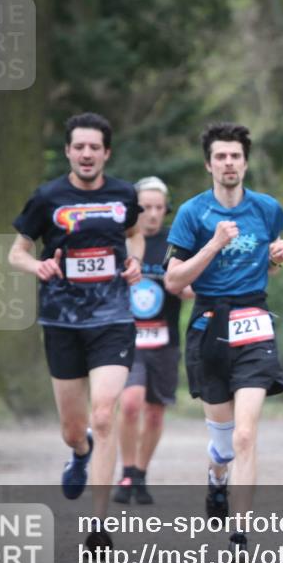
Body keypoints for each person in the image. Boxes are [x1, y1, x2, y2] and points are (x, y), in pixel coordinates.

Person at [8, 112, 144, 550]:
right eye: (78, 147)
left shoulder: (124, 194)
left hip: (114, 318)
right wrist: (37, 265)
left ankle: (98, 526)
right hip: (62, 321)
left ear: (106, 152)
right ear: (68, 151)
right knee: (75, 427)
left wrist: (135, 260)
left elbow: (135, 233)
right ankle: (79, 453)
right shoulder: (47, 197)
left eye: (94, 147)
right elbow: (17, 252)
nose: (86, 154)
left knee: (105, 415)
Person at [164, 122, 283, 563]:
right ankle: (216, 475)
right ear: (209, 164)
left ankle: (240, 536)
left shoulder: (268, 209)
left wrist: (275, 260)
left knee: (245, 433)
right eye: (220, 156)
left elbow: (264, 264)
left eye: (235, 155)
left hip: (254, 322)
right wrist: (214, 245)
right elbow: (174, 279)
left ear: (245, 161)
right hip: (207, 324)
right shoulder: (191, 213)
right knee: (221, 441)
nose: (229, 163)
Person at [113, 176, 192, 505]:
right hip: (125, 338)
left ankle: (141, 474)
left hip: (165, 340)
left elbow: (189, 289)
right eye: (145, 207)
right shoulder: (121, 242)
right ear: (134, 209)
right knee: (130, 404)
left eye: (160, 208)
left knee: (156, 413)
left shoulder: (174, 244)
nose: (153, 214)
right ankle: (127, 472)